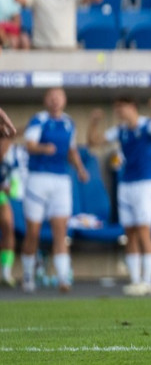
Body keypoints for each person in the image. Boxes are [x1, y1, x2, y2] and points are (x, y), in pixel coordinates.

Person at [88, 96, 151, 296]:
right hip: (126, 184)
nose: (119, 111)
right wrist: (94, 122)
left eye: (121, 107)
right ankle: (135, 281)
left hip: (146, 183)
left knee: (144, 230)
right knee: (129, 231)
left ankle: (148, 282)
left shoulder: (149, 125)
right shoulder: (120, 131)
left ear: (132, 107)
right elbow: (93, 142)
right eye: (116, 108)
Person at [21, 88, 89, 293]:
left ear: (64, 100)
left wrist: (80, 169)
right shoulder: (38, 120)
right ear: (46, 100)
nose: (55, 101)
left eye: (58, 97)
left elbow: (71, 149)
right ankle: (27, 276)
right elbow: (29, 144)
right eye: (51, 97)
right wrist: (43, 148)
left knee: (61, 229)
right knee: (33, 231)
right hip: (38, 178)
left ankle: (62, 278)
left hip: (61, 179)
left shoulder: (69, 123)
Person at [0, 134, 28, 286]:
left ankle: (6, 272)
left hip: (2, 198)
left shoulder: (9, 161)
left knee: (8, 228)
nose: (3, 147)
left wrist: (8, 188)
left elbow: (11, 185)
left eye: (6, 143)